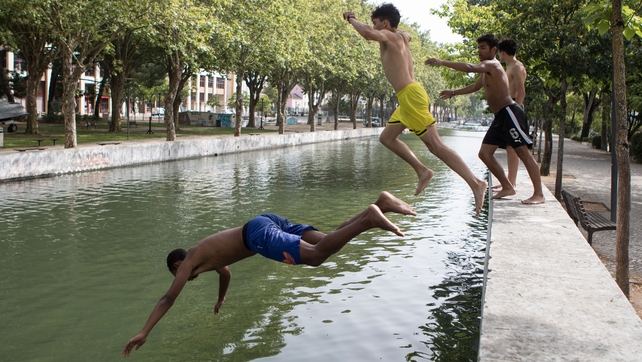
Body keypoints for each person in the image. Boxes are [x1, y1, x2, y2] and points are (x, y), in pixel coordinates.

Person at [122, 191, 416, 357]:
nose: (181, 279)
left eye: (177, 274)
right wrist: (221, 300)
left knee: (314, 259)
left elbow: (167, 299)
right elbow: (226, 274)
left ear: (176, 266)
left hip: (257, 235)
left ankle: (370, 219)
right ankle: (381, 205)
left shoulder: (188, 263)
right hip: (267, 220)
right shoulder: (205, 258)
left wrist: (144, 332)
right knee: (327, 241)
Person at [343, 3, 488, 216]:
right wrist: (397, 30)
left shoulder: (389, 36)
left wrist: (351, 18)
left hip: (411, 96)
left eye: (376, 23)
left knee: (436, 146)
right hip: (407, 97)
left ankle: (476, 183)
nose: (374, 28)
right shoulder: (401, 36)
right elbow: (407, 34)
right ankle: (422, 170)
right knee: (387, 138)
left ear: (384, 23)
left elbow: (366, 33)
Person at [426, 34, 545, 204]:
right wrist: (453, 93)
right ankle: (507, 186)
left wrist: (442, 62)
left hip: (509, 113)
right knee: (484, 154)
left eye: (483, 48)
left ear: (494, 50)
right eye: (478, 48)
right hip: (500, 117)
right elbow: (475, 86)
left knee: (523, 153)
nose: (479, 51)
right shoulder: (486, 69)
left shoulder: (493, 65)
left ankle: (539, 194)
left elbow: (468, 67)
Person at [492, 38, 527, 193]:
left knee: (513, 148)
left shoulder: (517, 67)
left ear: (503, 52)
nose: (499, 55)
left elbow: (521, 90)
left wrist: (516, 109)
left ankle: (512, 183)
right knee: (508, 147)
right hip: (508, 107)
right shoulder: (510, 67)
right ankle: (508, 181)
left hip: (514, 107)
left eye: (499, 52)